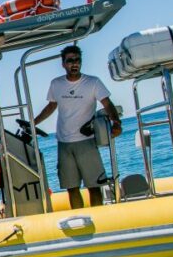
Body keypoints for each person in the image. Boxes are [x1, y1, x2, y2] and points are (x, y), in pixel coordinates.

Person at [33, 45, 121, 209]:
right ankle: (80, 222)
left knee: (94, 186)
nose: (74, 64)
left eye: (77, 60)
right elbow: (51, 106)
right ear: (63, 64)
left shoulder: (93, 82)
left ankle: (99, 219)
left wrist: (116, 122)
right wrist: (33, 123)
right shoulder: (56, 84)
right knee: (71, 188)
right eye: (70, 61)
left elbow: (107, 104)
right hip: (64, 143)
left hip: (87, 141)